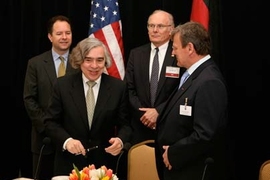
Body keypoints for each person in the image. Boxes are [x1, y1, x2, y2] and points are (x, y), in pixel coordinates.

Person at [43, 37, 132, 178]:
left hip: (103, 167)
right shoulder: (62, 85)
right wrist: (67, 141)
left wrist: (120, 140)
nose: (94, 66)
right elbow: (50, 122)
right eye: (88, 60)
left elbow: (126, 125)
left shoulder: (118, 87)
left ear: (106, 61)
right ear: (79, 61)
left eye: (100, 60)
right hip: (68, 163)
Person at [154, 21, 232, 180]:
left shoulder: (209, 81)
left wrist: (174, 153)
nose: (172, 53)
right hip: (180, 169)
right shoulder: (194, 75)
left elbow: (205, 134)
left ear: (190, 48)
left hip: (192, 171)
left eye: (175, 48)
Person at [23, 15, 78, 180]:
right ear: (50, 36)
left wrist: (66, 135)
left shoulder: (81, 63)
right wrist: (49, 127)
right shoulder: (36, 64)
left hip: (73, 140)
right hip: (44, 140)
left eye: (67, 33)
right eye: (59, 33)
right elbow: (29, 100)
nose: (64, 37)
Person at [124, 9, 181, 145]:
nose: (154, 30)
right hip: (140, 128)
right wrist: (145, 116)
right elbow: (129, 89)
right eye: (151, 26)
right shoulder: (136, 54)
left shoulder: (178, 54)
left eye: (160, 26)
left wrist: (158, 112)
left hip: (169, 128)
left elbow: (181, 89)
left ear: (171, 29)